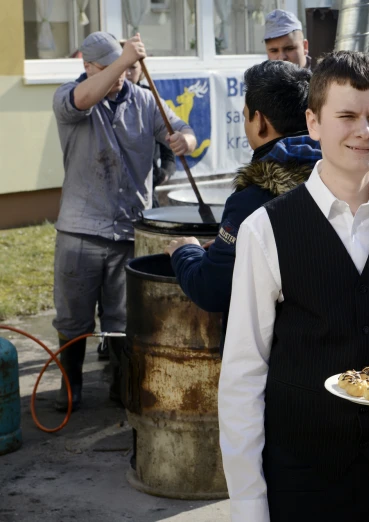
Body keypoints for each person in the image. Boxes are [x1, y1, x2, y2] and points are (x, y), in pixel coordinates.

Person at [218, 51, 369, 521]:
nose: (364, 131)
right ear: (314, 122)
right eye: (347, 116)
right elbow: (244, 372)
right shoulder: (266, 227)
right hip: (300, 474)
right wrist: (248, 503)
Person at [51, 31, 195, 411]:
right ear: (87, 67)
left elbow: (181, 129)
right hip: (80, 230)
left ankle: (120, 385)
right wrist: (122, 61)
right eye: (110, 67)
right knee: (72, 317)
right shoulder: (70, 96)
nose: (121, 75)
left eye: (127, 67)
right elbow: (83, 99)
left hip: (128, 228)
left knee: (121, 318)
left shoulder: (145, 101)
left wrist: (185, 141)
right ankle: (71, 388)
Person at [164, 60, 317, 352]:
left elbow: (212, 289)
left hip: (279, 360)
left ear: (259, 121)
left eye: (246, 117)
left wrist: (185, 250)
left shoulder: (256, 198)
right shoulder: (342, 181)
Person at [124, 57, 177, 208]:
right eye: (123, 67)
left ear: (141, 69)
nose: (127, 73)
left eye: (133, 68)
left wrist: (165, 172)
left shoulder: (150, 99)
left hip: (147, 189)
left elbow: (169, 151)